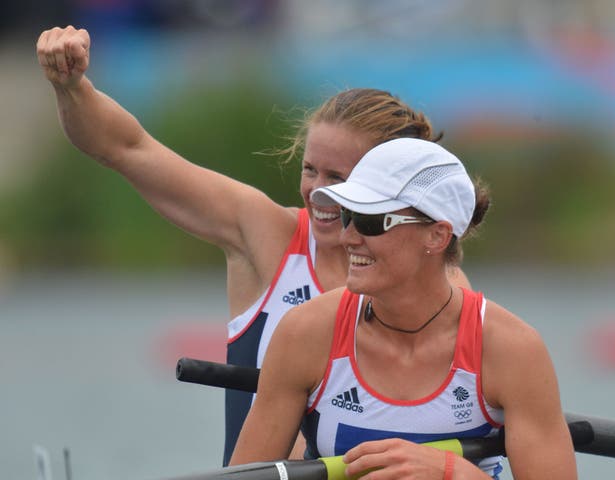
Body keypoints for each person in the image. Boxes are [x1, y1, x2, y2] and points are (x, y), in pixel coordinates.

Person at [36, 26, 472, 465]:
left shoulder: (444, 282)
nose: (317, 193)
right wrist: (71, 86)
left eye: (338, 179)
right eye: (310, 171)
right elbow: (127, 148)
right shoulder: (267, 234)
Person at [230, 138, 578, 479]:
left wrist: (450, 472)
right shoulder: (306, 332)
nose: (348, 237)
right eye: (348, 216)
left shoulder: (512, 351)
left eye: (370, 222)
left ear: (437, 236)